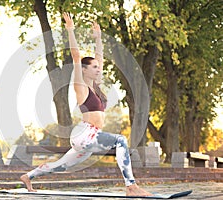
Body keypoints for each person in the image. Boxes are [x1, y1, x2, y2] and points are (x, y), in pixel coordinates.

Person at [20, 12, 152, 197]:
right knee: (120, 140)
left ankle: (28, 176)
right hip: (85, 134)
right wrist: (70, 30)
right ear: (84, 70)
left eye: (99, 67)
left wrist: (98, 38)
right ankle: (131, 186)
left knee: (61, 166)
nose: (99, 69)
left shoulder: (96, 86)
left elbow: (99, 57)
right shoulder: (80, 86)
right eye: (95, 67)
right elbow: (76, 56)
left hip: (89, 138)